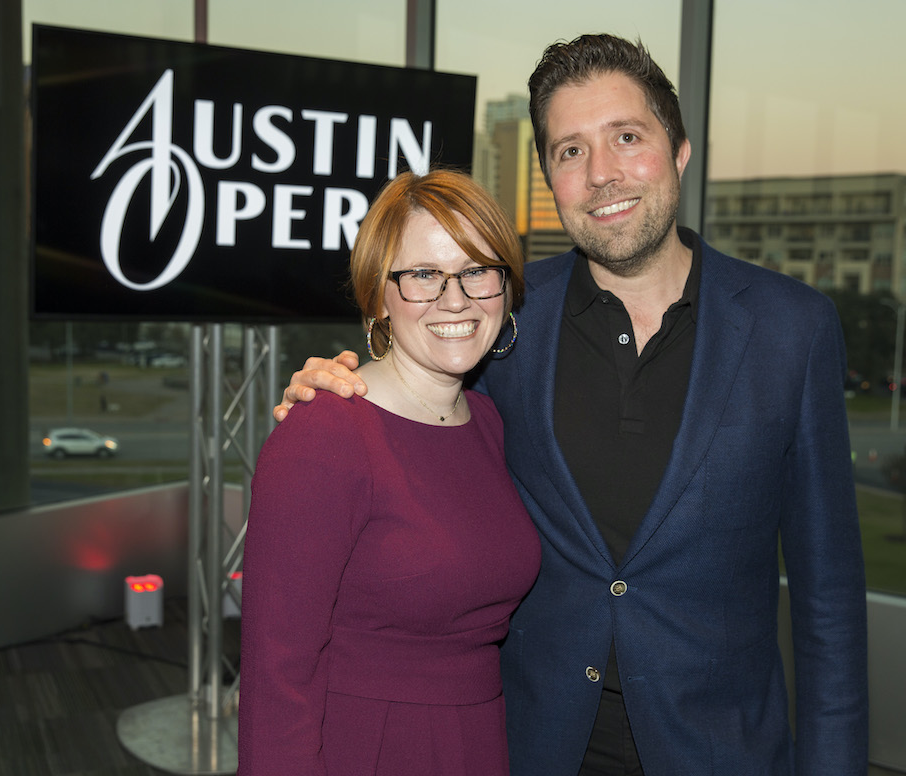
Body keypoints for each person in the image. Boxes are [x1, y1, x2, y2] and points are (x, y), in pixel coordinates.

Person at [274, 34, 868, 776]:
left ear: (679, 149)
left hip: (721, 751)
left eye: (626, 137)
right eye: (569, 151)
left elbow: (830, 605)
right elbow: (416, 401)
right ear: (549, 177)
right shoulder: (503, 320)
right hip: (530, 747)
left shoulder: (792, 328)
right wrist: (332, 387)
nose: (602, 175)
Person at [237, 169, 541, 776]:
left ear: (504, 286)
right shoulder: (324, 436)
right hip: (368, 746)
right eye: (424, 275)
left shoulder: (485, 420)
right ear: (379, 294)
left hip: (480, 737)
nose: (455, 300)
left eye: (477, 270)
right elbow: (276, 671)